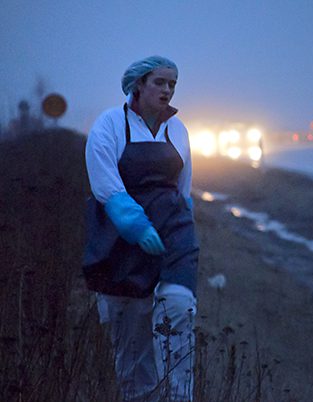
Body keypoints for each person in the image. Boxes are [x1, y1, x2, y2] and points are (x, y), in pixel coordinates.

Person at [83, 55, 199, 402]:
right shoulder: (109, 125)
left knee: (178, 310)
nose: (168, 90)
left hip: (174, 236)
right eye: (160, 82)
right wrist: (137, 227)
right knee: (132, 338)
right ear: (138, 85)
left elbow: (184, 188)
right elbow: (105, 185)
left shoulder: (178, 130)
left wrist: (184, 227)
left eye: (173, 84)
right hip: (122, 241)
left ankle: (179, 397)